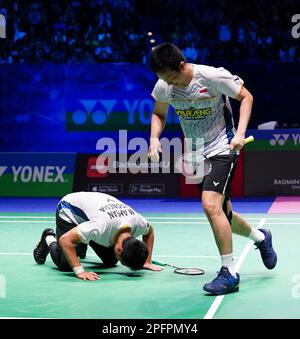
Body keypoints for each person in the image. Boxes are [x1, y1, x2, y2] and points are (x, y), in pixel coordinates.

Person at [148, 42, 277, 295]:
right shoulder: (165, 84)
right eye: (165, 79)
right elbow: (159, 113)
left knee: (210, 205)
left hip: (223, 147)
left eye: (172, 77)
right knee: (224, 214)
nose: (169, 84)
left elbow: (246, 97)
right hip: (195, 153)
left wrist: (239, 134)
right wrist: (154, 138)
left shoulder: (212, 76)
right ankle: (262, 238)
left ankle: (228, 272)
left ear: (183, 66)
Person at [33, 191, 163, 280]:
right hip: (69, 209)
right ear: (119, 249)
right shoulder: (101, 226)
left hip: (94, 211)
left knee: (111, 261)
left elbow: (150, 232)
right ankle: (48, 238)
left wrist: (147, 262)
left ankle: (82, 241)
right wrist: (80, 271)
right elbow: (65, 240)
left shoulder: (137, 222)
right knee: (66, 265)